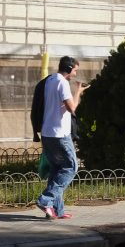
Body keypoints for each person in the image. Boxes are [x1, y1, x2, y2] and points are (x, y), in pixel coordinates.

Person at [35, 55, 88, 220]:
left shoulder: (50, 80)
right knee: (71, 167)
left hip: (47, 133)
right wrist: (78, 92)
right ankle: (46, 200)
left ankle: (57, 210)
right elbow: (72, 108)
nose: (76, 73)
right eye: (75, 70)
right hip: (60, 134)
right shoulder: (63, 83)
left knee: (57, 169)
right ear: (70, 69)